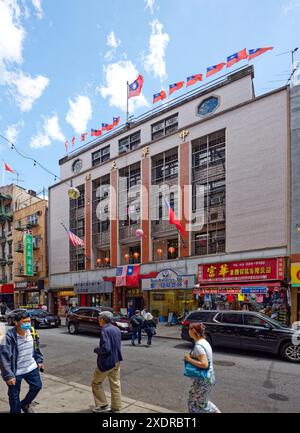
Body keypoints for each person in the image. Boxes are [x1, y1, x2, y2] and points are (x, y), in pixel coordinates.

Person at [0, 310, 44, 413]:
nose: (27, 324)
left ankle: (25, 404)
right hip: (16, 371)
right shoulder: (9, 337)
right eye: (24, 322)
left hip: (31, 367)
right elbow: (3, 357)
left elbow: (36, 348)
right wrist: (8, 375)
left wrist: (39, 360)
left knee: (37, 386)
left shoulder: (32, 332)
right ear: (16, 322)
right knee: (14, 396)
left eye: (29, 321)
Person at [184, 323, 221, 414]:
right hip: (209, 378)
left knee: (193, 404)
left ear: (193, 331)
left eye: (189, 329)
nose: (188, 331)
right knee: (202, 402)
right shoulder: (204, 342)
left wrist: (188, 359)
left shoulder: (198, 346)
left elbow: (204, 364)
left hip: (203, 380)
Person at [91, 311, 123, 413]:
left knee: (96, 383)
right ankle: (116, 407)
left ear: (103, 319)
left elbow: (106, 348)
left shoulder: (105, 330)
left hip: (107, 362)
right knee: (115, 384)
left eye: (99, 318)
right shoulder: (116, 328)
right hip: (116, 360)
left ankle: (102, 405)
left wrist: (97, 350)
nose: (98, 320)